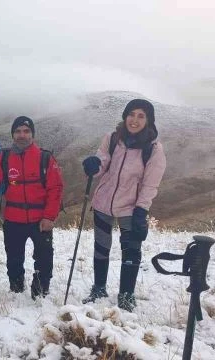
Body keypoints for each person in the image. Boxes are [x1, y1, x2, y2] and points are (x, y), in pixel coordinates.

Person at [80, 98, 167, 311]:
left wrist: (142, 209)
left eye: (141, 116)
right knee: (101, 247)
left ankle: (126, 295)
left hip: (131, 206)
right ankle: (99, 288)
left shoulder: (153, 149)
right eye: (131, 114)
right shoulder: (112, 138)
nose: (134, 120)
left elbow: (150, 183)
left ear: (148, 120)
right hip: (103, 202)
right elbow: (103, 163)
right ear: (125, 116)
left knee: (131, 250)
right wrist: (94, 165)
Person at [0, 116, 64, 300]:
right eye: (18, 131)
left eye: (26, 131)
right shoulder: (5, 157)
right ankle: (16, 288)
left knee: (44, 257)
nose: (22, 135)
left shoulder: (45, 158)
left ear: (32, 134)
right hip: (13, 217)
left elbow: (55, 188)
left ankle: (40, 289)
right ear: (13, 135)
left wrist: (49, 217)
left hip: (40, 219)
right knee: (14, 257)